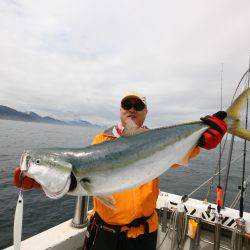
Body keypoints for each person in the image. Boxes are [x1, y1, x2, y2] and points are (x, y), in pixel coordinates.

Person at [13, 91, 227, 250]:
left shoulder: (159, 141)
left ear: (146, 112)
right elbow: (78, 179)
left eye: (138, 105)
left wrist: (201, 140)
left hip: (145, 232)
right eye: (127, 104)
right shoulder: (101, 140)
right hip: (106, 232)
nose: (132, 108)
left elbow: (183, 154)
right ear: (120, 109)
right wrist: (44, 181)